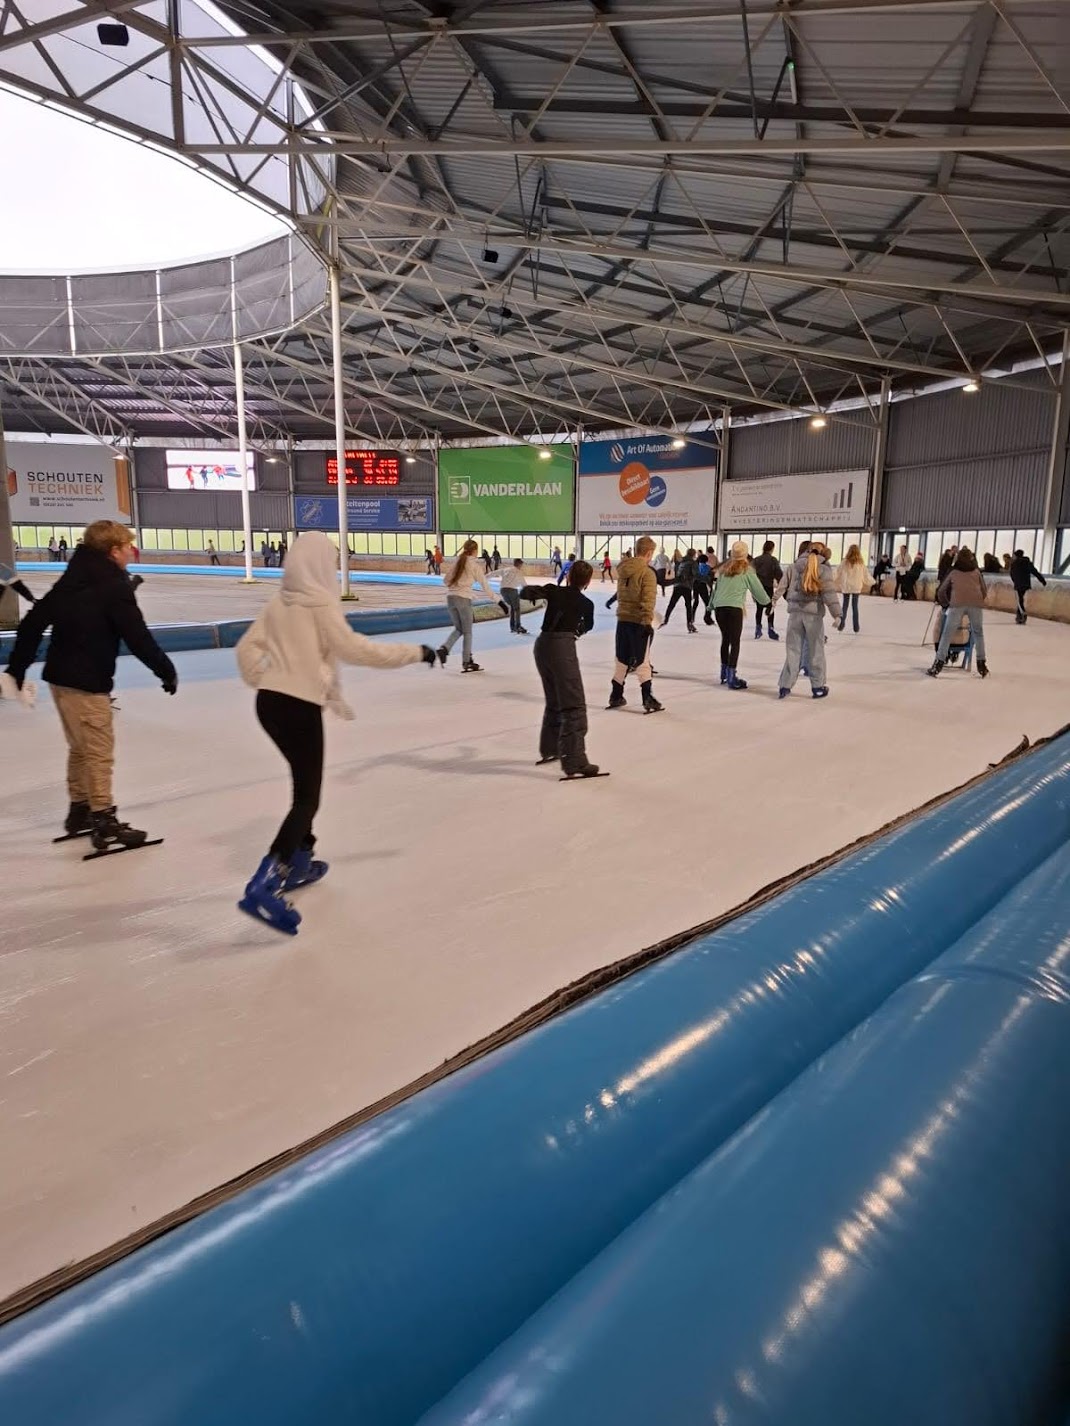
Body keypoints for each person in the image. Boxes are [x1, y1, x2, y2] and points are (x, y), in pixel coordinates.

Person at [236, 532, 436, 934]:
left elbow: (244, 649)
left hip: (268, 705)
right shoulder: (320, 603)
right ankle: (267, 880)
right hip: (298, 706)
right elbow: (358, 649)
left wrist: (270, 678)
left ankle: (301, 861)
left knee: (302, 784)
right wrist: (416, 652)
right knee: (307, 797)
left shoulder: (279, 602)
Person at [4, 520, 177, 850]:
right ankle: (103, 819)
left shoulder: (73, 577)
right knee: (98, 752)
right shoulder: (114, 586)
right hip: (87, 682)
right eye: (128, 548)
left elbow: (33, 623)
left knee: (80, 747)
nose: (131, 553)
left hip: (59, 679)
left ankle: (80, 810)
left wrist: (17, 669)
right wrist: (165, 670)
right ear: (114, 552)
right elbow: (137, 637)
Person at [522, 561, 600, 777]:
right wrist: (575, 632)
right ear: (587, 581)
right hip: (561, 648)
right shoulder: (586, 603)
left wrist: (540, 590)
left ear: (569, 575)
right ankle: (574, 760)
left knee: (555, 700)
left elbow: (526, 593)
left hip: (542, 645)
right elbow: (589, 625)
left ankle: (551, 748)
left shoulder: (554, 591)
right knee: (574, 704)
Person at [778, 542, 841, 700]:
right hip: (813, 616)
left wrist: (773, 600)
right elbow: (829, 594)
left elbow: (783, 586)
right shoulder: (823, 568)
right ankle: (817, 687)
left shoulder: (794, 566)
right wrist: (837, 614)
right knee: (816, 650)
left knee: (793, 650)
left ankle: (785, 686)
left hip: (794, 615)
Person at [608, 535, 662, 713]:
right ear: (648, 552)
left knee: (622, 659)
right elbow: (648, 600)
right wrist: (647, 621)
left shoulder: (624, 571)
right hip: (639, 621)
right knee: (643, 661)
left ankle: (616, 694)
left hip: (622, 620)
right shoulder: (647, 573)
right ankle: (647, 697)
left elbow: (622, 596)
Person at [710, 540, 770, 690]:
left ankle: (723, 673)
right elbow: (758, 591)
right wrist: (767, 602)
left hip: (720, 608)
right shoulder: (747, 570)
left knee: (726, 639)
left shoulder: (724, 569)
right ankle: (732, 677)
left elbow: (715, 590)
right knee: (735, 642)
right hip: (734, 609)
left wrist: (709, 607)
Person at [437, 538, 500, 671]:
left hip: (450, 598)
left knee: (459, 629)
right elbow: (485, 585)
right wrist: (498, 600)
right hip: (463, 599)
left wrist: (456, 585)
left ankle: (444, 649)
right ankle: (467, 661)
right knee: (468, 632)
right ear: (475, 550)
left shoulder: (457, 562)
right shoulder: (474, 566)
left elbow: (445, 580)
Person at [928, 548, 989, 678]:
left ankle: (938, 664)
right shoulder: (976, 572)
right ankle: (981, 664)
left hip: (957, 605)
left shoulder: (954, 572)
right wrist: (977, 601)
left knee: (947, 634)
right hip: (975, 605)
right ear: (972, 558)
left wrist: (946, 603)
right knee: (978, 633)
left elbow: (941, 590)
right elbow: (984, 590)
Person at [752, 539, 782, 640]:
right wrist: (782, 581)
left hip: (758, 587)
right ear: (772, 548)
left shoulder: (756, 560)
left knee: (759, 608)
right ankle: (770, 628)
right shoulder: (773, 560)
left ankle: (758, 628)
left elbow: (751, 573)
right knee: (770, 608)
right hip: (768, 586)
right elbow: (778, 572)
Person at [662, 547, 698, 631]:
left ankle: (665, 619)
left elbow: (676, 571)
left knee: (672, 603)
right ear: (693, 554)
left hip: (677, 585)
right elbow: (695, 574)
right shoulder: (693, 562)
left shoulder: (681, 561)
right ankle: (689, 624)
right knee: (688, 606)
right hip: (686, 586)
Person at [836, 544, 869, 632]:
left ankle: (841, 625)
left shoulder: (845, 561)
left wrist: (831, 579)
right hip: (856, 586)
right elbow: (865, 574)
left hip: (847, 586)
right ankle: (856, 627)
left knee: (845, 606)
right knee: (855, 606)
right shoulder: (860, 562)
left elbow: (838, 571)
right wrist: (871, 582)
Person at [1009, 548, 1046, 624]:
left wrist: (1015, 581)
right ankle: (1019, 615)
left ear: (1016, 555)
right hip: (1026, 584)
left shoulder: (1014, 563)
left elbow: (1012, 574)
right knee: (1020, 599)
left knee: (1019, 600)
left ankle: (1022, 613)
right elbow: (1035, 572)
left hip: (1018, 584)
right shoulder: (1027, 563)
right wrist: (1042, 580)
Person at [499, 557, 529, 634]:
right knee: (517, 609)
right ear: (519, 564)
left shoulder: (506, 569)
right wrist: (529, 593)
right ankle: (518, 626)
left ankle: (512, 627)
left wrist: (483, 579)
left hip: (502, 591)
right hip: (512, 590)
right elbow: (524, 584)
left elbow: (492, 573)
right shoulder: (518, 572)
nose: (521, 567)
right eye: (521, 565)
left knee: (512, 607)